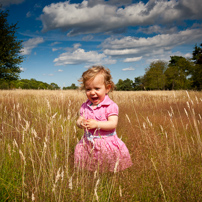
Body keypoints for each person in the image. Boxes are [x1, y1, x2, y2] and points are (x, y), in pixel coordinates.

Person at [74, 66, 132, 172]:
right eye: (88, 89)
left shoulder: (110, 106)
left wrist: (97, 124)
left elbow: (113, 124)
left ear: (107, 88)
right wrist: (80, 122)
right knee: (90, 170)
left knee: (108, 169)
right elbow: (79, 119)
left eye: (97, 88)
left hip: (106, 145)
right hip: (88, 145)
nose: (92, 92)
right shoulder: (85, 106)